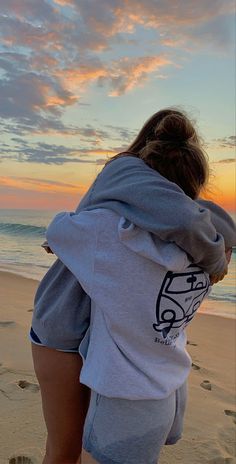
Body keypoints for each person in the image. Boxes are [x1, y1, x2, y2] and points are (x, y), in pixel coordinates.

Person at [31, 108, 229, 464]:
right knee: (65, 450)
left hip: (110, 340)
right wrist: (217, 256)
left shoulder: (192, 233)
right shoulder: (192, 236)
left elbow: (58, 230)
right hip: (66, 328)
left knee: (75, 449)